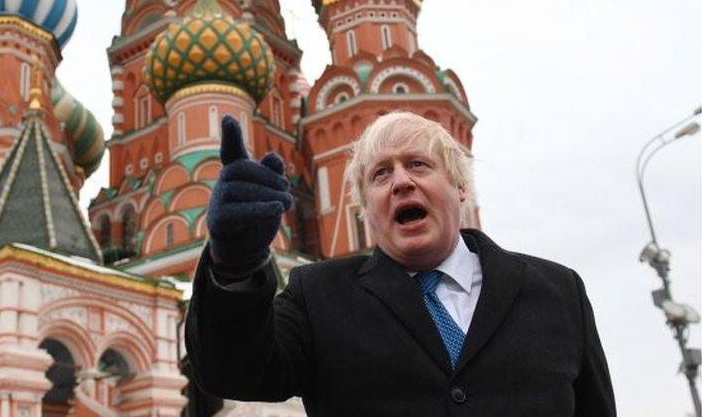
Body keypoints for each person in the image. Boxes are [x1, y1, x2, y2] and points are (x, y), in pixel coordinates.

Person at [186, 112, 615, 416]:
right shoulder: (319, 297)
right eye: (380, 175)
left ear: (460, 187)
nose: (401, 182)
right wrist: (235, 263)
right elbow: (234, 372)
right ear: (364, 209)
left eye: (417, 165)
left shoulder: (556, 291)